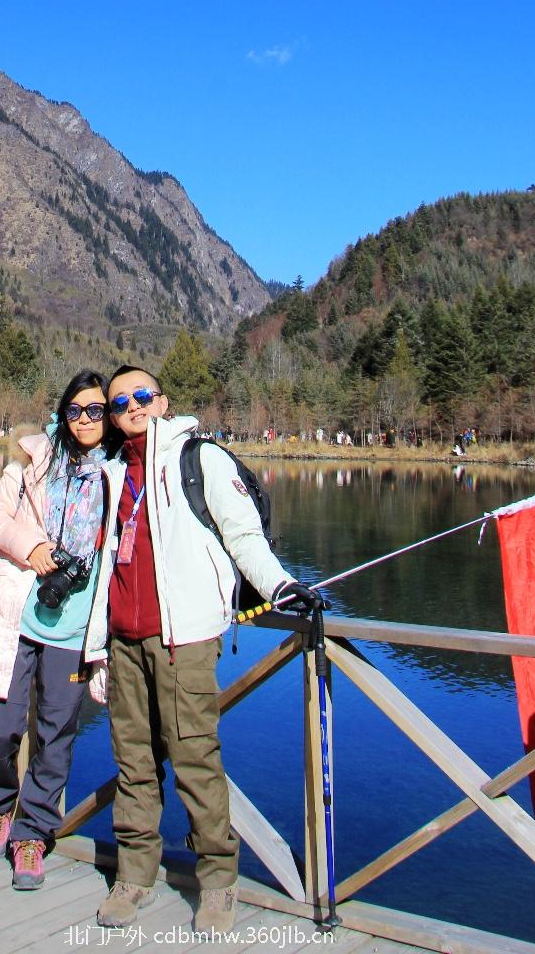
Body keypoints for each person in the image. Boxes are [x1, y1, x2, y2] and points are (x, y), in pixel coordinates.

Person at [85, 365, 320, 937]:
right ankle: (134, 875)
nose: (132, 406)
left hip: (184, 639)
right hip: (123, 639)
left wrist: (282, 586)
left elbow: (243, 537)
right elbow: (104, 566)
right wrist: (96, 647)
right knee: (133, 762)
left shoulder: (200, 458)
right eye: (120, 402)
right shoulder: (112, 472)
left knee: (195, 759)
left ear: (162, 402)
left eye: (142, 395)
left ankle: (217, 881)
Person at [0, 370, 115, 890]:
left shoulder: (121, 473)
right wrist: (31, 547)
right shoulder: (33, 460)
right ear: (63, 413)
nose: (85, 419)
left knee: (56, 736)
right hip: (18, 616)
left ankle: (33, 833)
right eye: (75, 410)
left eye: (96, 410)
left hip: (76, 630)